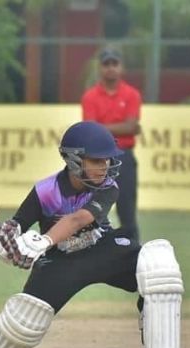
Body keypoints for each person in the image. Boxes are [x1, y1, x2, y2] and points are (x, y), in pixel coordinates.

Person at [0, 121, 188, 348]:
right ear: (73, 160)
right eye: (96, 160)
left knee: (159, 268)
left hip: (102, 250)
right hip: (62, 261)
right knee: (26, 316)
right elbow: (18, 225)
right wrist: (6, 241)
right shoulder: (45, 191)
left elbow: (79, 218)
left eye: (107, 159)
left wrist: (43, 240)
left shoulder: (108, 187)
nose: (105, 166)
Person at [81, 47, 143, 241]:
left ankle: (133, 254)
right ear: (100, 68)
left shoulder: (131, 94)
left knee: (127, 211)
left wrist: (103, 128)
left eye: (114, 64)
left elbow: (130, 127)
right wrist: (124, 127)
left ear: (121, 67)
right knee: (92, 211)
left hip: (124, 155)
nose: (110, 68)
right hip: (98, 159)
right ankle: (91, 254)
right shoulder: (90, 96)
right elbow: (92, 131)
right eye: (106, 64)